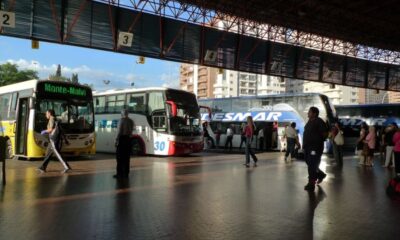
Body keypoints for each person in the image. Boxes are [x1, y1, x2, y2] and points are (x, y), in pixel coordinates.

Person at [303, 107, 329, 191]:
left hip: (315, 148)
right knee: (309, 162)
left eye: (309, 112)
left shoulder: (319, 121)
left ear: (314, 113)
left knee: (312, 165)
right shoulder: (309, 122)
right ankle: (320, 175)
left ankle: (311, 184)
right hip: (308, 147)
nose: (308, 113)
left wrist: (317, 140)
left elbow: (325, 134)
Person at [37, 109, 71, 173]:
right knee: (48, 153)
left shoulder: (52, 119)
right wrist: (65, 139)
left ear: (50, 113)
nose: (45, 115)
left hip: (53, 139)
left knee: (57, 153)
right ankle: (42, 167)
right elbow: (61, 130)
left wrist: (44, 131)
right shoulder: (56, 119)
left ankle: (66, 166)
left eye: (46, 113)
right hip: (53, 139)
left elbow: (50, 129)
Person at [114, 109, 135, 179]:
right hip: (129, 139)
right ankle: (126, 173)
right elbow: (132, 130)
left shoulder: (121, 121)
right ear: (128, 114)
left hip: (122, 139)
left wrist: (116, 140)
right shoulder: (131, 121)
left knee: (119, 157)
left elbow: (119, 131)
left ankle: (119, 173)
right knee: (127, 157)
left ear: (122, 114)